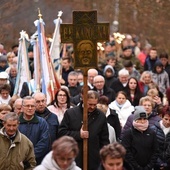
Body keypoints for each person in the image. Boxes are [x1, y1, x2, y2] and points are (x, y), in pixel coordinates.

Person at [58, 90, 109, 170]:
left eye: (94, 105)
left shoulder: (101, 116)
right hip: (73, 158)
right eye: (90, 104)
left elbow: (104, 140)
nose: (92, 107)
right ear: (83, 100)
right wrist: (79, 135)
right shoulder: (71, 113)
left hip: (94, 160)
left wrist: (104, 157)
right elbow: (61, 133)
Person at [18, 96, 50, 165]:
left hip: (37, 162)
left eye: (32, 106)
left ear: (35, 107)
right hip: (18, 162)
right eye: (27, 106)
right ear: (22, 107)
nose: (30, 108)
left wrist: (30, 156)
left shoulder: (42, 122)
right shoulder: (16, 122)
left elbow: (44, 143)